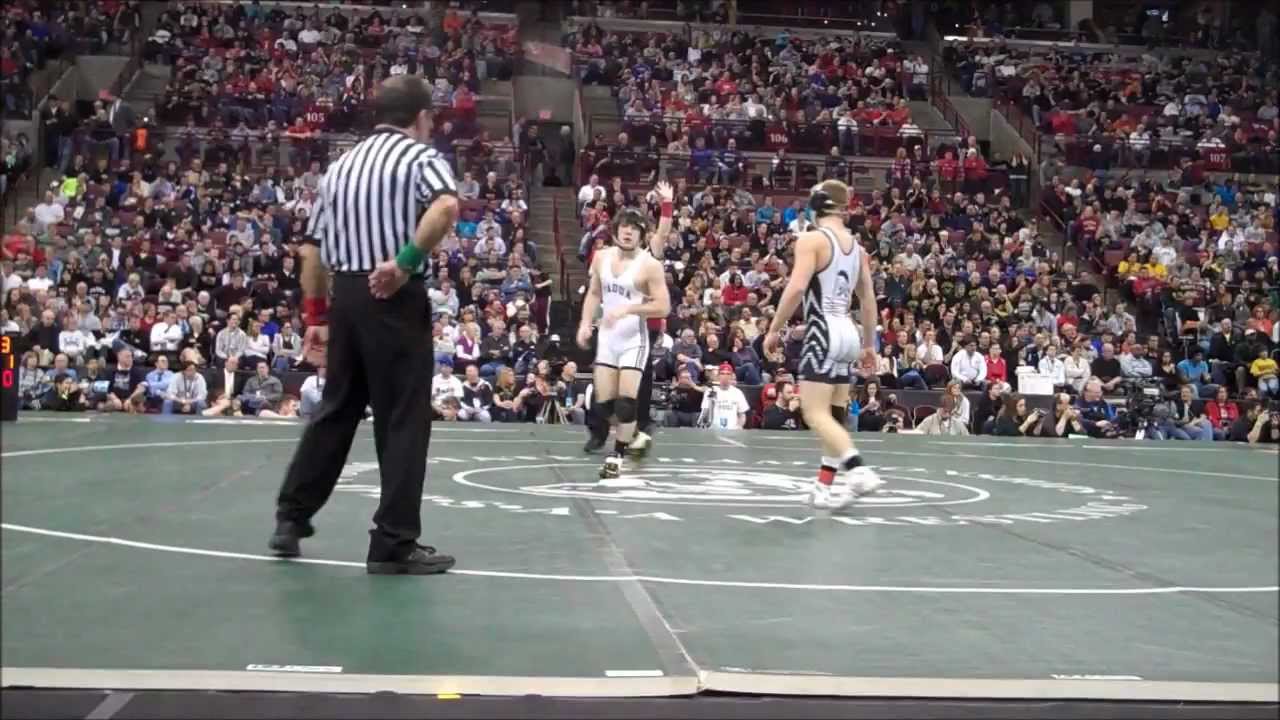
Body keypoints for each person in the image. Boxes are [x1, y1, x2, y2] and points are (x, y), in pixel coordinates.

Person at [269, 75, 461, 576]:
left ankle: (291, 518)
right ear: (421, 117)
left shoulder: (341, 167)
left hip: (347, 298)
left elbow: (311, 250)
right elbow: (446, 205)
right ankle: (393, 542)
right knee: (403, 418)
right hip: (392, 293)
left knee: (337, 409)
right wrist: (406, 262)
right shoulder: (418, 157)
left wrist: (316, 316)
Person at [763, 180, 883, 510]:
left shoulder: (812, 240)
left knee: (813, 411)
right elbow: (868, 299)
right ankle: (823, 487)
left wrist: (774, 328)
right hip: (848, 331)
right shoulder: (856, 247)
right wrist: (869, 344)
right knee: (835, 414)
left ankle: (857, 470)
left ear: (817, 205)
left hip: (822, 331)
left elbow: (797, 288)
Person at [576, 186, 673, 479]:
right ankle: (633, 435)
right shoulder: (601, 257)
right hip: (607, 337)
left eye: (634, 228)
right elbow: (594, 293)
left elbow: (664, 306)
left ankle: (617, 456)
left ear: (642, 234)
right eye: (624, 227)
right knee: (604, 403)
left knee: (627, 400)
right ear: (615, 229)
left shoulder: (649, 264)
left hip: (634, 338)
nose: (628, 232)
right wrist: (585, 323)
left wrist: (628, 309)